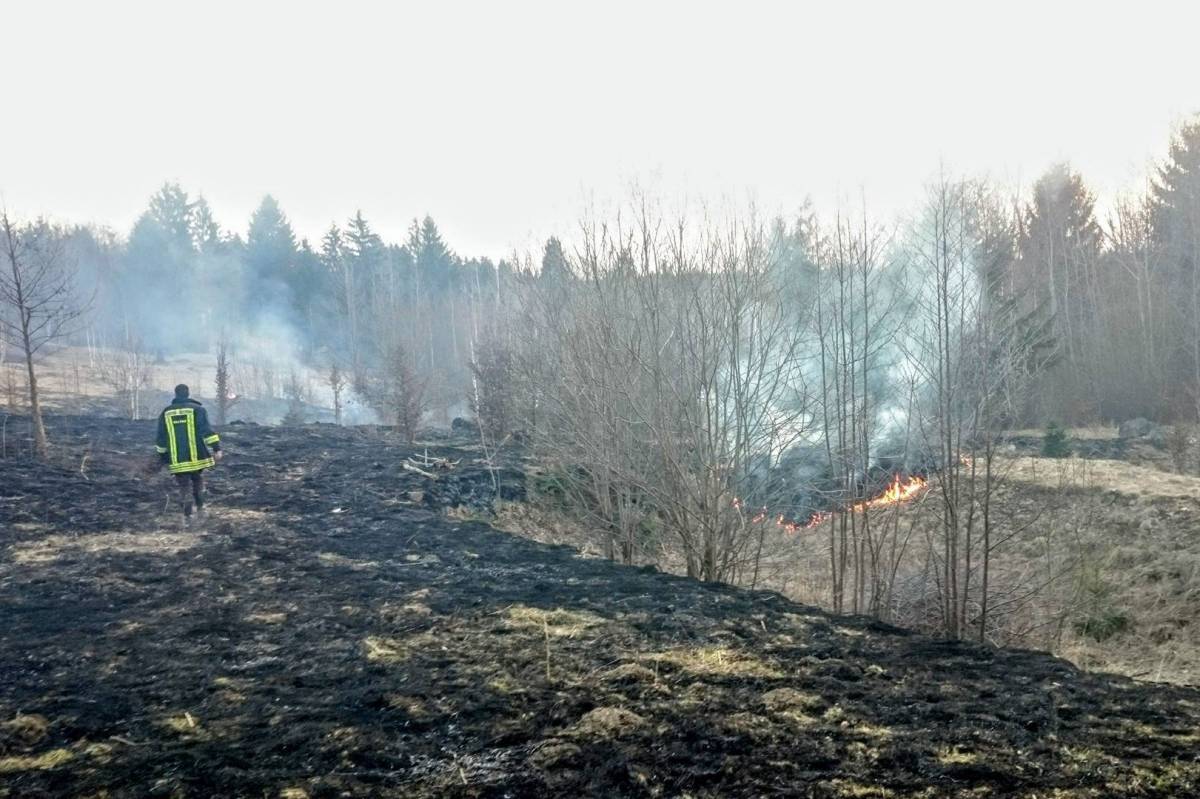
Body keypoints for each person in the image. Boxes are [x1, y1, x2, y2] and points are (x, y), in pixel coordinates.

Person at [155, 384, 222, 527]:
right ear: (188, 393)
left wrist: (162, 455)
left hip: (177, 459)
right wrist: (216, 448)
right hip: (197, 457)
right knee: (197, 480)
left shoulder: (166, 412)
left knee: (183, 486)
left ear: (176, 394)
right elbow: (206, 431)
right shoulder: (198, 410)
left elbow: (161, 436)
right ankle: (201, 509)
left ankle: (187, 516)